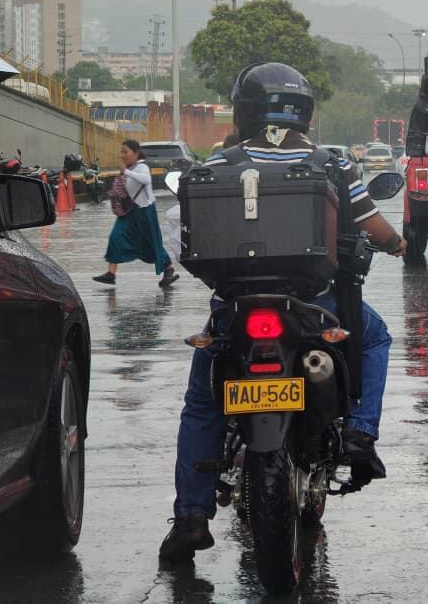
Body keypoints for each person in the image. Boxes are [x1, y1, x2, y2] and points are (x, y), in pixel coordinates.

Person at [159, 62, 406, 564]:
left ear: (243, 109)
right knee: (374, 339)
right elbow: (375, 227)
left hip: (235, 306)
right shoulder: (334, 165)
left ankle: (190, 518)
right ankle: (360, 433)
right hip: (313, 303)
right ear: (306, 111)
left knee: (204, 402)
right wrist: (398, 243)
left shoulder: (219, 163)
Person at [93, 139, 178, 288]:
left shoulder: (141, 167)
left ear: (136, 153)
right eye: (122, 152)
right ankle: (111, 273)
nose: (123, 155)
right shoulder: (130, 168)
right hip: (130, 211)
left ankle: (168, 269)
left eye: (126, 152)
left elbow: (146, 179)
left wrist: (126, 172)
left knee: (150, 243)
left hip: (144, 211)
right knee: (116, 236)